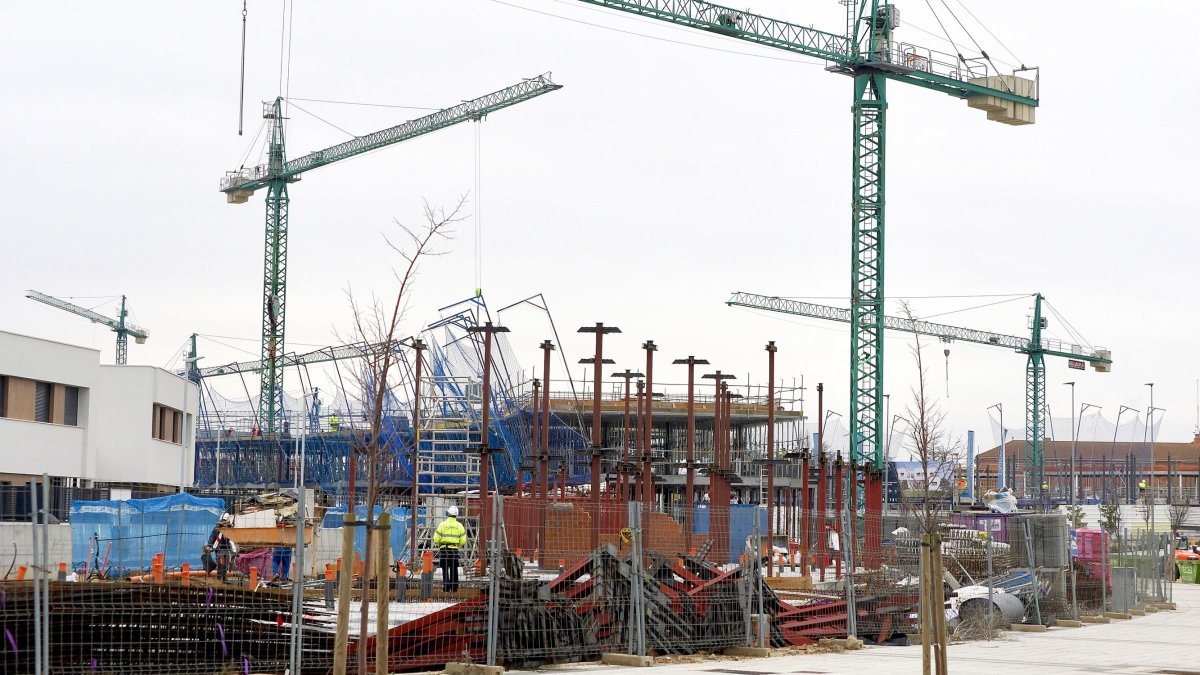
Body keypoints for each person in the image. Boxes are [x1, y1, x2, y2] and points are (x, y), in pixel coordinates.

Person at [434, 505, 467, 593]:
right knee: (454, 568)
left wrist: (440, 544)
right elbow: (463, 540)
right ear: (456, 514)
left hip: (444, 549)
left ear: (448, 513)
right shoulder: (459, 525)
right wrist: (457, 545)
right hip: (454, 550)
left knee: (445, 569)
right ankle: (454, 588)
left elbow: (436, 539)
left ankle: (446, 587)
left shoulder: (442, 524)